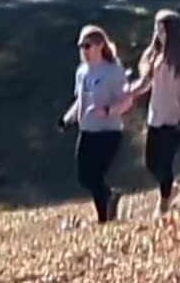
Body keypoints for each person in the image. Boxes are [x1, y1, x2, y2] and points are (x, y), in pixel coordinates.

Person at [121, 9, 180, 217]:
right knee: (152, 162)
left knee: (165, 160)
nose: (159, 33)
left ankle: (164, 203)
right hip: (156, 117)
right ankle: (170, 189)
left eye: (163, 29)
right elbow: (145, 82)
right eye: (156, 29)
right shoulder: (153, 57)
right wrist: (130, 91)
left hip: (177, 120)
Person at [59, 25, 130, 224]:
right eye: (81, 46)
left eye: (88, 45)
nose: (84, 50)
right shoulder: (82, 72)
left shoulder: (113, 71)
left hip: (108, 131)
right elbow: (80, 100)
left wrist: (108, 111)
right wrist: (68, 118)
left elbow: (126, 100)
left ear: (100, 46)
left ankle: (104, 217)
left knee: (95, 175)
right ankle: (110, 199)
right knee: (84, 177)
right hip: (87, 130)